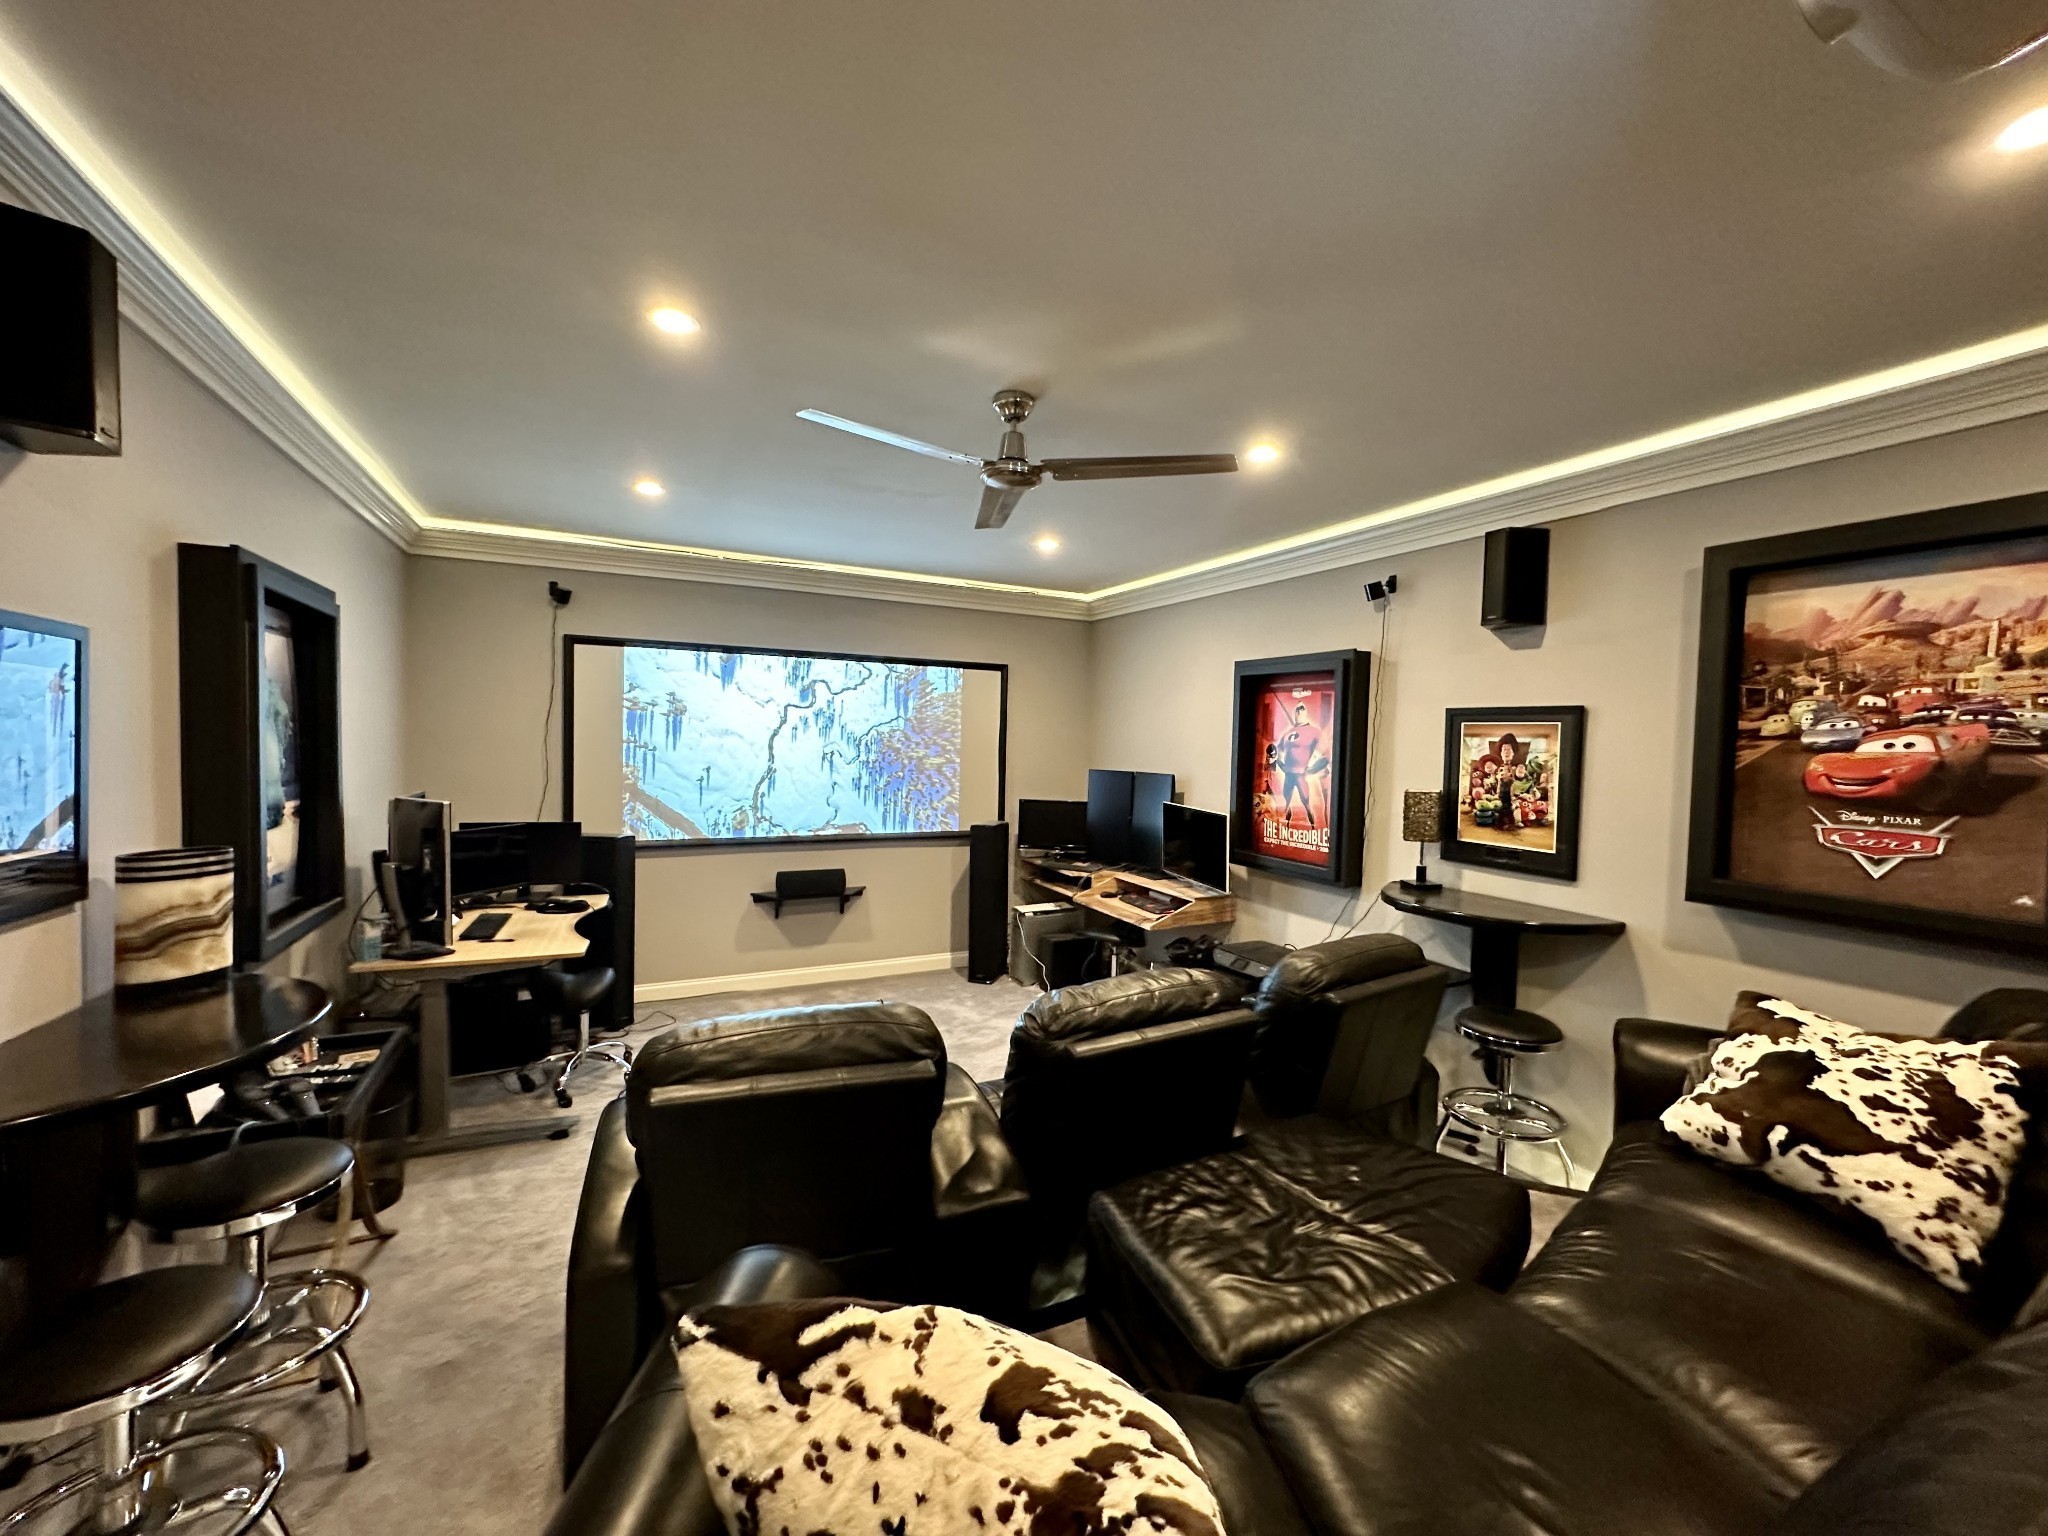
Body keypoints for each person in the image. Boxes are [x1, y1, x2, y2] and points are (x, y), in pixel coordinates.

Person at [1272, 703, 1329, 829]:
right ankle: (1284, 829)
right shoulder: (1288, 733)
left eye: (1302, 708)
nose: (1299, 711)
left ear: (1306, 712)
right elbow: (1277, 751)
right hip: (1288, 774)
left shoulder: (1315, 732)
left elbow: (1325, 755)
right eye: (1297, 709)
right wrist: (1280, 764)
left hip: (1301, 775)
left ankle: (1314, 828)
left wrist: (1313, 768)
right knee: (1285, 803)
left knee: (1307, 804)